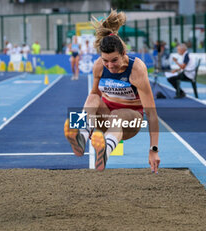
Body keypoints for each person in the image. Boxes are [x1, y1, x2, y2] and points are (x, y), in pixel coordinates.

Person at [64, 10, 160, 173]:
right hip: (105, 119)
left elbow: (151, 114)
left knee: (117, 115)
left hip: (131, 122)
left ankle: (104, 151)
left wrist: (154, 149)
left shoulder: (136, 69)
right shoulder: (99, 66)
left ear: (124, 53)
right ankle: (81, 135)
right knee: (93, 97)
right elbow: (94, 96)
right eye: (105, 60)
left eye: (114, 60)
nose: (110, 65)